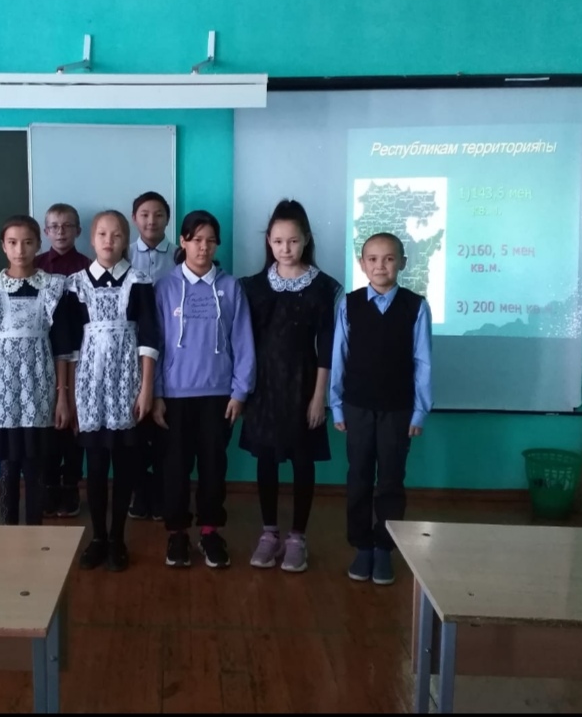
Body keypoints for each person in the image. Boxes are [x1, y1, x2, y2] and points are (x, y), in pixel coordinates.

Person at [240, 200, 341, 573]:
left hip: (304, 385)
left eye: (293, 241)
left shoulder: (323, 287)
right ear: (269, 241)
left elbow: (327, 346)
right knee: (266, 460)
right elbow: (244, 341)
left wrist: (319, 397)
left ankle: (298, 537)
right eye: (279, 241)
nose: (286, 248)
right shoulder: (253, 286)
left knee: (302, 461)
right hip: (264, 387)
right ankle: (269, 533)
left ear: (306, 240)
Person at [152, 210, 255, 569]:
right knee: (175, 469)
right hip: (174, 396)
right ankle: (177, 534)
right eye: (196, 239)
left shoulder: (231, 288)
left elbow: (243, 341)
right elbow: (156, 345)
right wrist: (157, 394)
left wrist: (240, 392)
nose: (203, 247)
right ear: (182, 241)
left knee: (213, 468)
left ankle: (210, 532)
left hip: (218, 395)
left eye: (210, 240)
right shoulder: (165, 288)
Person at [330, 232, 432, 585]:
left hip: (397, 409)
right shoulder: (349, 304)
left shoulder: (415, 306)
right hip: (357, 406)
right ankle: (362, 546)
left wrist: (419, 411)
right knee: (358, 476)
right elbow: (339, 357)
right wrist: (336, 406)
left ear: (402, 262)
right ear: (362, 264)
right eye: (372, 259)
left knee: (390, 479)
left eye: (389, 259)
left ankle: (384, 548)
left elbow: (423, 361)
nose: (380, 266)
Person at [64, 210, 159, 572]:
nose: (109, 241)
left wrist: (146, 389)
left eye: (117, 235)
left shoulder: (139, 281)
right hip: (90, 387)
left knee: (125, 466)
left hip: (127, 385)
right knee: (96, 467)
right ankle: (98, 537)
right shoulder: (76, 284)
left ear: (125, 239)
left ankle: (118, 537)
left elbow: (149, 339)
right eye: (102, 234)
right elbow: (71, 347)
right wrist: (72, 395)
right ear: (92, 239)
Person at [0, 215, 72, 526]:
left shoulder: (54, 287)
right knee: (7, 464)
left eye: (28, 242)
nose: (20, 250)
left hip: (40, 386)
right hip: (2, 390)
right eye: (13, 242)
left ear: (38, 244)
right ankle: (8, 531)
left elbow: (63, 349)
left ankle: (34, 531)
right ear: (3, 246)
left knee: (35, 464)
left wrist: (62, 397)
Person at [34, 202, 89, 518]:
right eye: (54, 226)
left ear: (78, 230)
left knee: (74, 423)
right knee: (48, 420)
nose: (60, 231)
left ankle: (71, 486)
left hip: (81, 356)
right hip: (42, 355)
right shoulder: (36, 266)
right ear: (45, 231)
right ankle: (49, 484)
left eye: (67, 226)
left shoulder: (88, 267)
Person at [126, 190, 175, 521]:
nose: (151, 221)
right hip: (133, 355)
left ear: (167, 219)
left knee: (165, 432)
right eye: (144, 214)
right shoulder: (123, 254)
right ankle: (139, 493)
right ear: (134, 219)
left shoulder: (182, 255)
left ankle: (161, 494)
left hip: (172, 354)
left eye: (158, 214)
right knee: (136, 430)